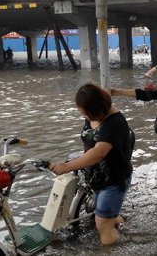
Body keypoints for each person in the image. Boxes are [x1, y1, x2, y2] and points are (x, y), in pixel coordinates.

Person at [49, 83, 134, 246]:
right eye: (82, 113)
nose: (84, 117)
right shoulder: (93, 115)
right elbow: (88, 141)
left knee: (102, 225)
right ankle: (118, 223)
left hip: (113, 181)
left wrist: (66, 167)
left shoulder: (114, 123)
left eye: (86, 113)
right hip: (97, 178)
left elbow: (99, 152)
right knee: (107, 216)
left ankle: (110, 249)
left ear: (96, 108)